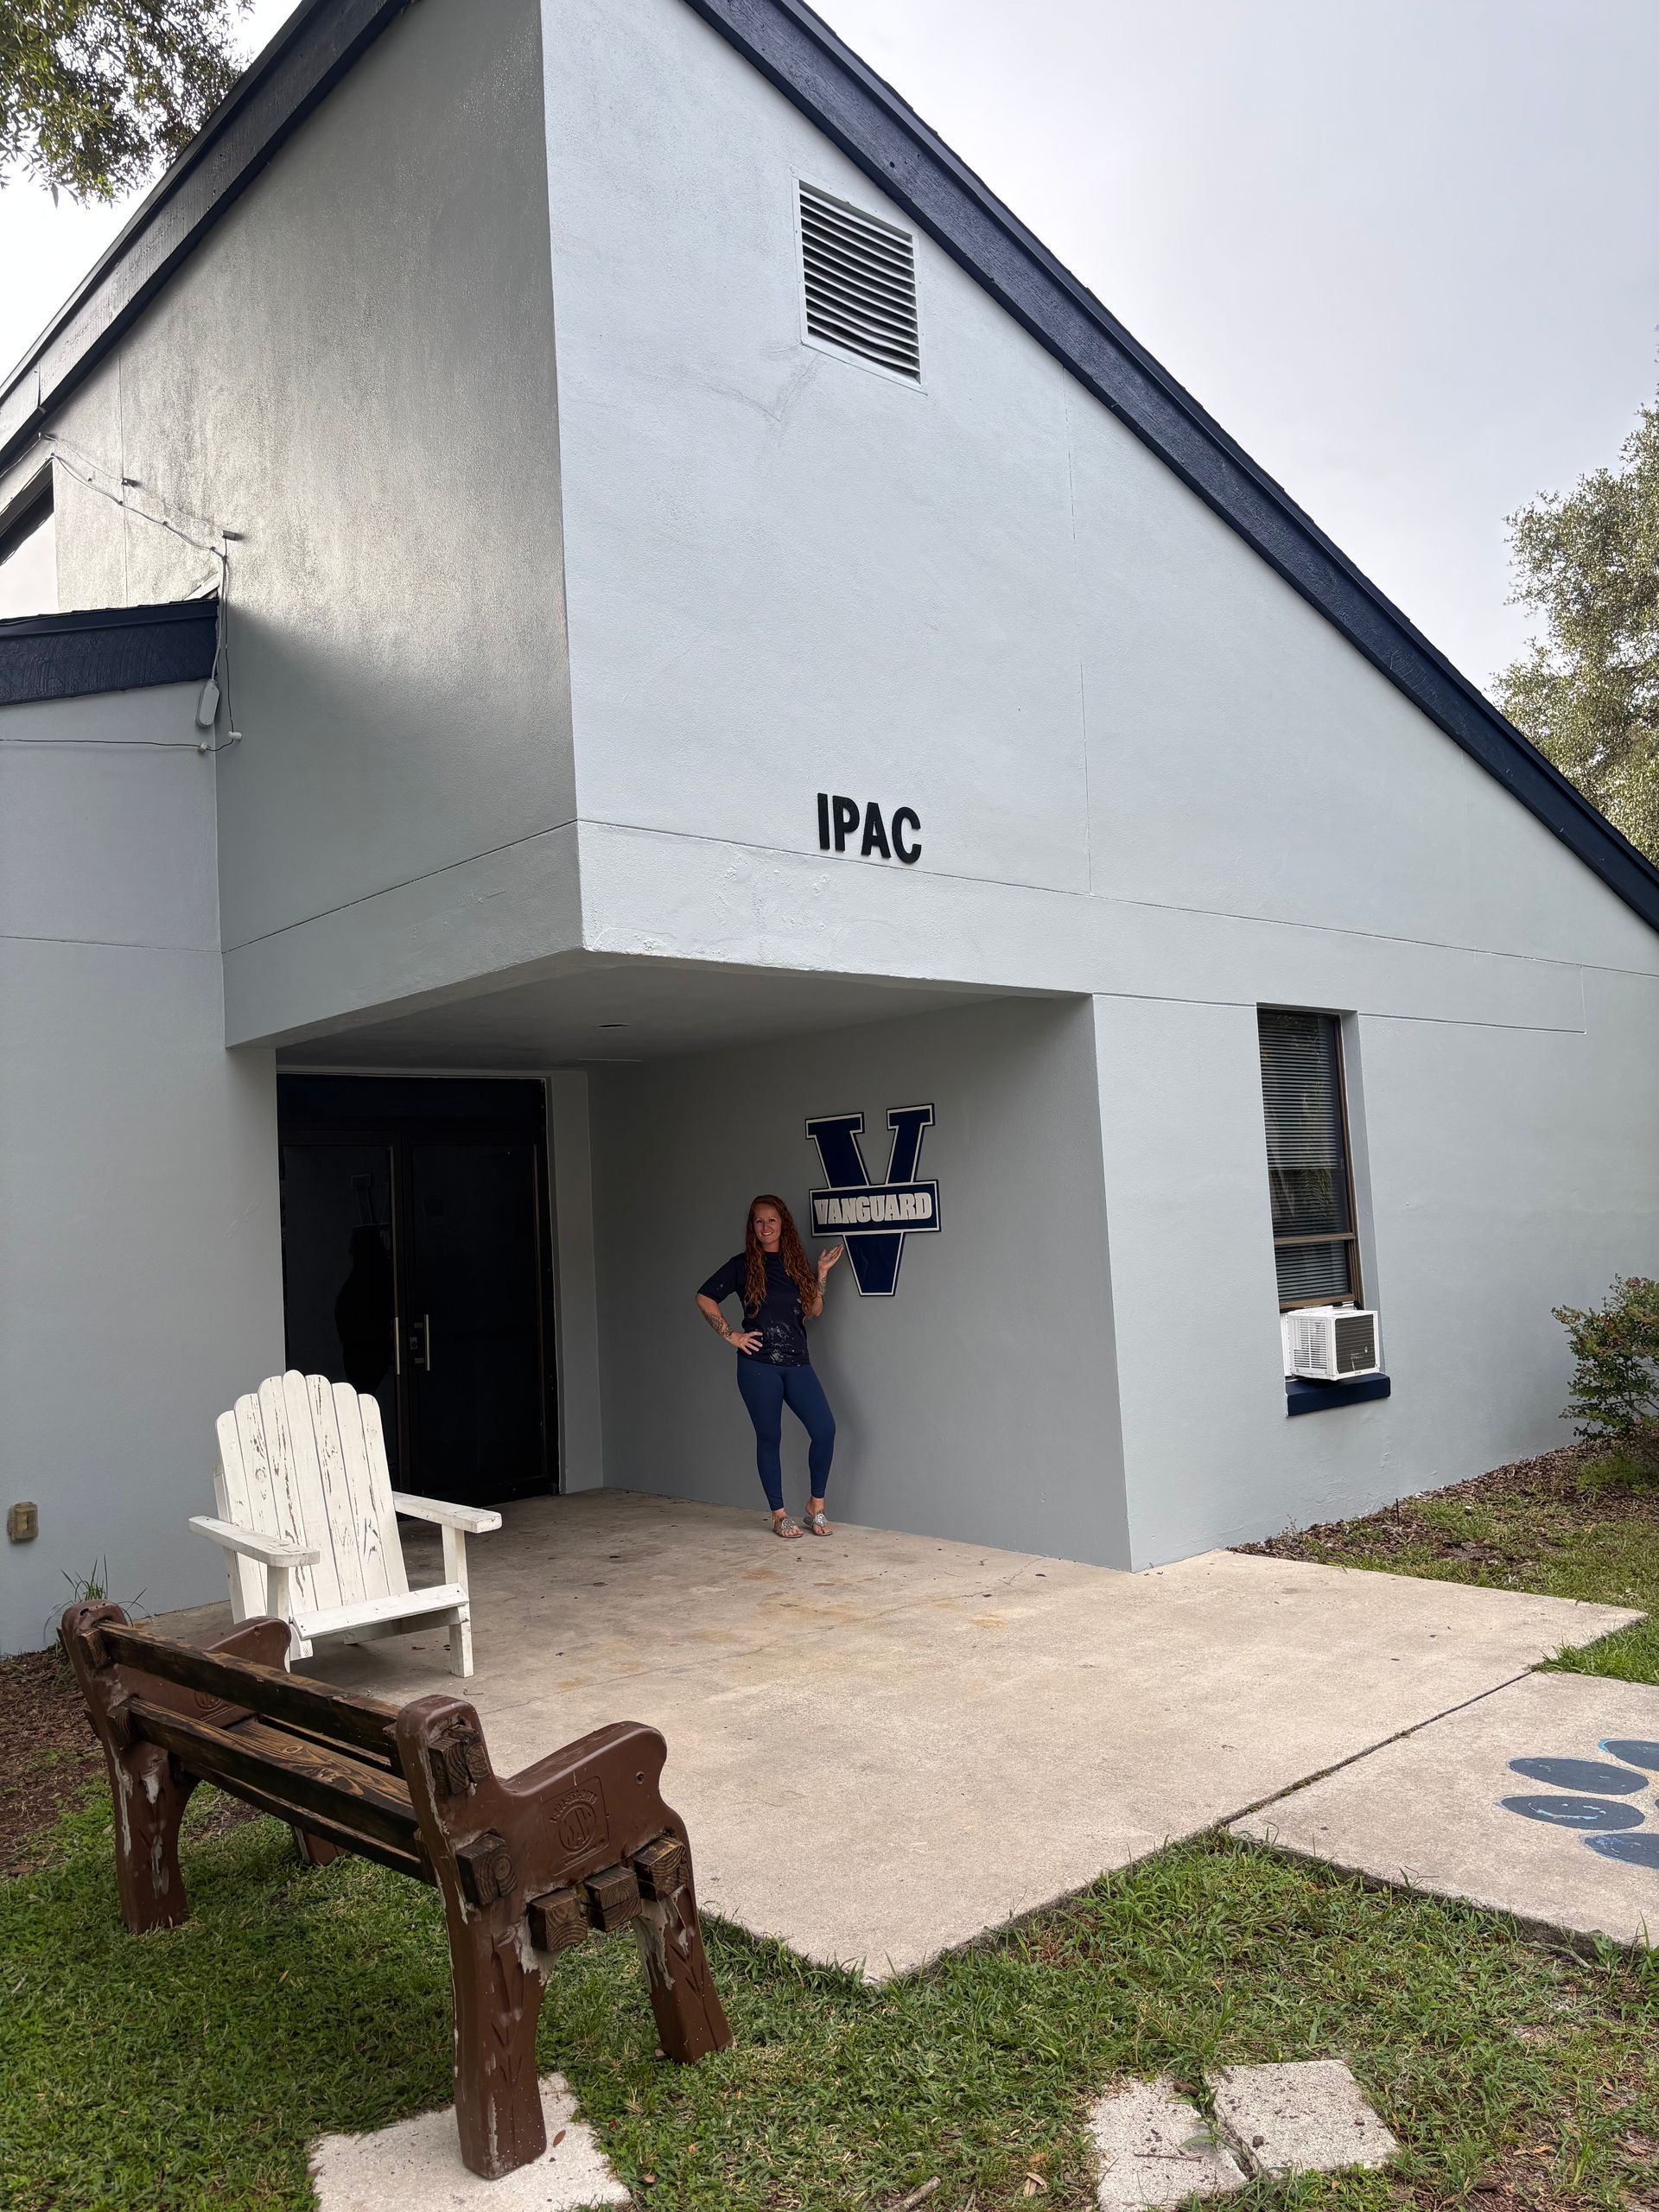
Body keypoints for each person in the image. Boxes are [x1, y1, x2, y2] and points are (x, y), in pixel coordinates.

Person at [696, 1195, 843, 1538]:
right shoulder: (742, 1264)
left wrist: (820, 1273)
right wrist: (731, 1335)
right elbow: (704, 1297)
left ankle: (815, 1506)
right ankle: (778, 1514)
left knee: (825, 1429)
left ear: (782, 1223)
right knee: (769, 1436)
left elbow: (815, 1310)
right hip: (758, 1365)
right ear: (753, 1226)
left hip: (797, 1362)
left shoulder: (795, 1263)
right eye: (759, 1221)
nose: (766, 1227)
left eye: (772, 1220)